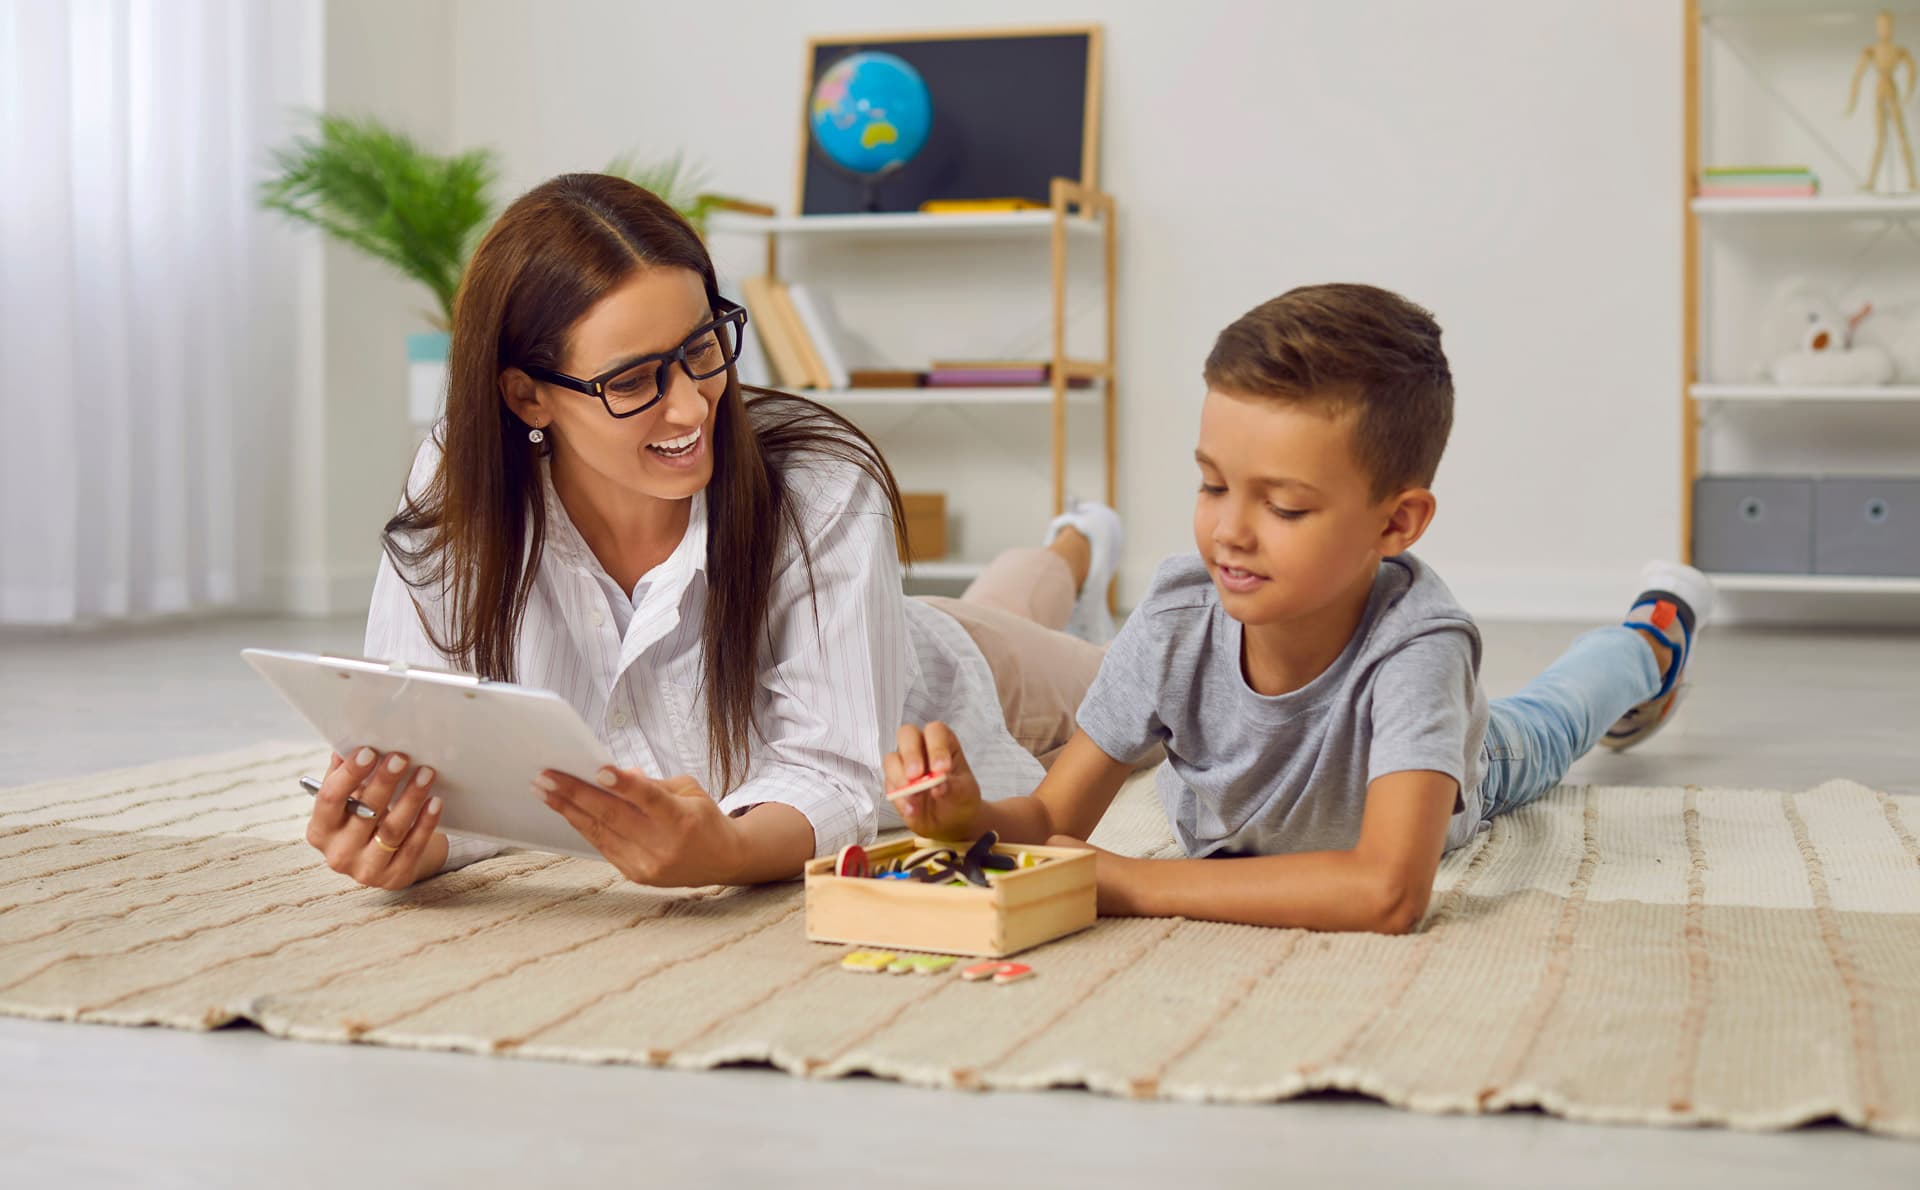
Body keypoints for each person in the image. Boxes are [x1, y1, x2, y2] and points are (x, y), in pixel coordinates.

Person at [302, 173, 1126, 891]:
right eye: (632, 380)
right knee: (1009, 600)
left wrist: (728, 851)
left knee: (1140, 686)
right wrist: (413, 839)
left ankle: (1079, 545)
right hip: (911, 622)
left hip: (944, 669)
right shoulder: (462, 485)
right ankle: (1070, 552)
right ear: (526, 398)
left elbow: (838, 776)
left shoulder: (822, 492)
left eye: (702, 348)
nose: (694, 405)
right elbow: (430, 744)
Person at [884, 283, 1714, 935]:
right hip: (1250, 819)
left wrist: (1135, 882)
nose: (1229, 532)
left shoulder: (1420, 647)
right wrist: (967, 819)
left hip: (1471, 767)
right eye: (1212, 485)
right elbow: (1051, 820)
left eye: (1283, 507)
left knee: (1557, 716)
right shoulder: (1179, 615)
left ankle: (1653, 635)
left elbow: (1388, 891)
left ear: (1397, 523)